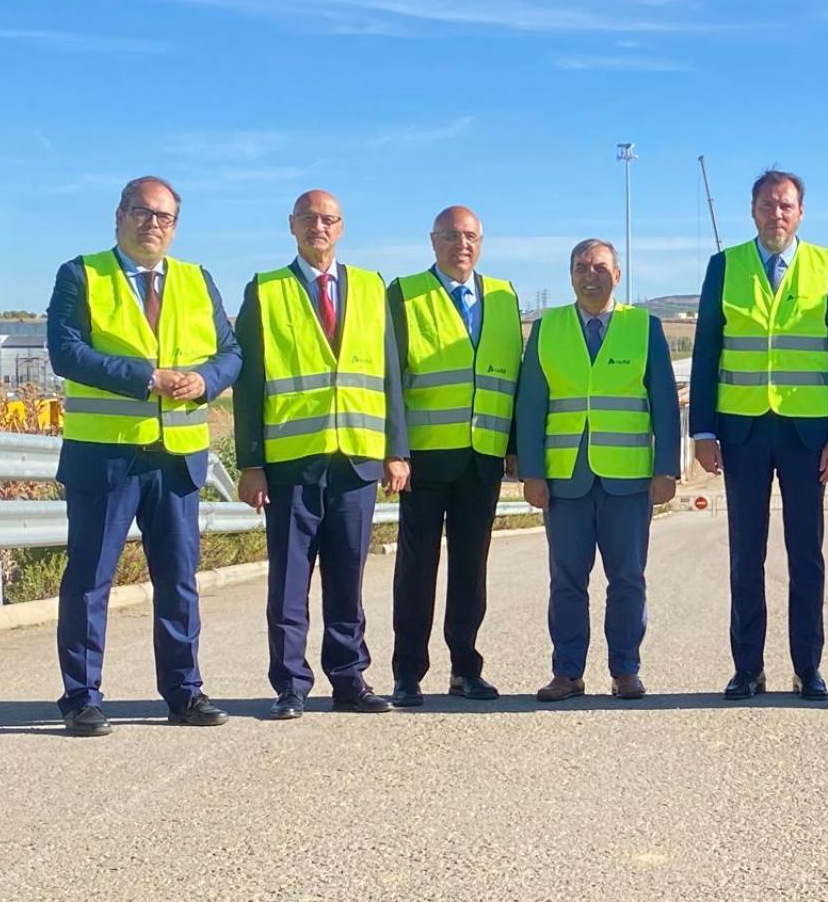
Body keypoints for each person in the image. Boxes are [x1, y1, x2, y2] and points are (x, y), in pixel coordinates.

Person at [45, 176, 241, 737]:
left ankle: (184, 693)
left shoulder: (197, 280)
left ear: (175, 225)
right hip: (105, 458)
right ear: (119, 215)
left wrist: (204, 380)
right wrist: (145, 378)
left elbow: (232, 353)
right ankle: (82, 697)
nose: (152, 224)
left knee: (179, 580)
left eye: (164, 216)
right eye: (142, 212)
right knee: (90, 579)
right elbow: (66, 352)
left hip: (176, 457)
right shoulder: (81, 274)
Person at [234, 189, 409, 720]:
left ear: (342, 227)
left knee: (348, 576)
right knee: (289, 580)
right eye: (310, 218)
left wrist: (395, 450)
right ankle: (290, 683)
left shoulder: (371, 287)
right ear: (291, 225)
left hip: (356, 459)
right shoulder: (266, 291)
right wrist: (251, 462)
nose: (320, 227)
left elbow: (389, 373)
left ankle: (348, 676)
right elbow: (249, 384)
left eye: (329, 220)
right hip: (292, 463)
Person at [689, 168, 828, 701]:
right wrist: (703, 430)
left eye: (786, 206)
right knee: (746, 554)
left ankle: (807, 668)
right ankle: (748, 669)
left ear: (801, 213)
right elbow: (706, 350)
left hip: (807, 435)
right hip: (742, 432)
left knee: (806, 554)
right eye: (767, 205)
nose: (776, 214)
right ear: (753, 210)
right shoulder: (725, 266)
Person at [516, 239, 681, 702]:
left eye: (601, 267)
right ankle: (567, 672)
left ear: (618, 275)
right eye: (581, 267)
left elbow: (665, 403)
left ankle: (625, 669)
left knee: (627, 577)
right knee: (567, 579)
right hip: (565, 478)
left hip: (628, 478)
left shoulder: (643, 327)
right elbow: (531, 405)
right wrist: (532, 471)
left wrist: (666, 467)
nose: (591, 275)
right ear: (570, 275)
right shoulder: (547, 328)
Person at [384, 206, 521, 708]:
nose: (461, 245)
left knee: (471, 567)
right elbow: (391, 379)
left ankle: (465, 667)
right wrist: (395, 450)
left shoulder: (504, 296)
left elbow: (512, 374)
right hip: (423, 458)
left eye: (470, 237)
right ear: (433, 241)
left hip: (482, 456)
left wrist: (512, 448)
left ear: (481, 242)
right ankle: (407, 673)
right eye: (451, 236)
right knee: (417, 568)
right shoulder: (405, 293)